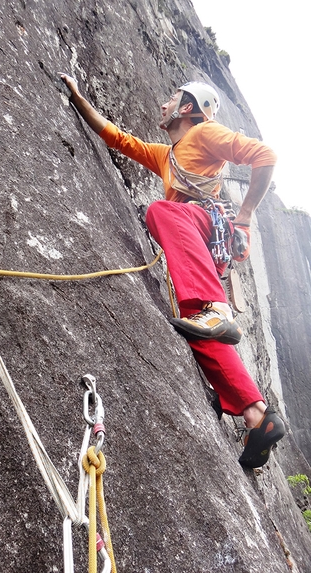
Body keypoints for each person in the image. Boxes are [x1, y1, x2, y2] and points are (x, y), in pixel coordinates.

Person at [60, 74, 285, 468]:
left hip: (201, 223)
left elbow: (264, 156)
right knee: (196, 328)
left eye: (170, 99)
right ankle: (257, 416)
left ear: (187, 108)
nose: (162, 105)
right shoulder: (168, 155)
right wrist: (78, 99)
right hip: (198, 244)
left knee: (159, 210)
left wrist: (246, 217)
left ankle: (216, 308)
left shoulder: (206, 133)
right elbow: (119, 139)